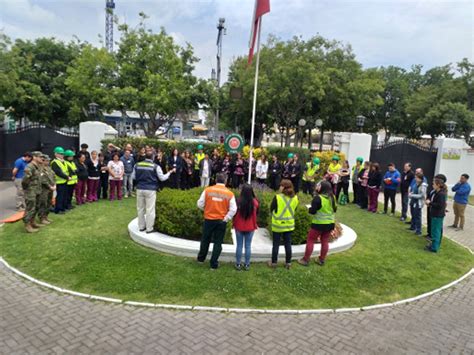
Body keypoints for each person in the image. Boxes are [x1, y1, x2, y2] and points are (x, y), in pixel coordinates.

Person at [196, 173, 237, 269]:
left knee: (205, 240)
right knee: (218, 242)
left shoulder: (208, 190)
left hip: (209, 219)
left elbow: (200, 204)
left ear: (215, 180)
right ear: (226, 181)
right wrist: (226, 218)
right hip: (221, 221)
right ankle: (213, 264)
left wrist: (207, 209)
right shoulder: (229, 193)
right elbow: (233, 209)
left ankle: (201, 259)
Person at [132, 153, 174, 233]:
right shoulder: (156, 166)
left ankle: (141, 227)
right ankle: (149, 228)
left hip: (139, 188)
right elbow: (162, 178)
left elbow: (133, 177)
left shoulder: (137, 165)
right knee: (150, 209)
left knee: (140, 208)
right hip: (150, 189)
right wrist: (169, 172)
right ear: (153, 157)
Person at [298, 180, 337, 267]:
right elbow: (334, 209)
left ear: (322, 188)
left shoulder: (318, 198)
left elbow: (312, 211)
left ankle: (305, 259)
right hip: (330, 223)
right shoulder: (332, 197)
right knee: (325, 241)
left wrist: (308, 208)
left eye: (318, 186)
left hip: (319, 223)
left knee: (310, 240)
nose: (317, 187)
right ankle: (321, 259)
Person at [268, 179, 299, 269]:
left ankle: (274, 263)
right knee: (288, 244)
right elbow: (295, 209)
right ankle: (288, 263)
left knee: (276, 244)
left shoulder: (277, 197)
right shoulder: (295, 198)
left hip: (278, 225)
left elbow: (271, 209)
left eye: (280, 185)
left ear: (283, 187)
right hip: (289, 225)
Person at [233, 184, 259, 271]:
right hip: (250, 226)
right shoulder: (255, 202)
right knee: (248, 246)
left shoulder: (238, 201)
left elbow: (234, 213)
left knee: (239, 246)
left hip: (239, 226)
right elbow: (257, 213)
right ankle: (247, 264)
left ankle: (238, 263)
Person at [21, 152, 43, 233]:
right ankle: (27, 224)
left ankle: (32, 222)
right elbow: (25, 180)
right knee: (30, 207)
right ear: (34, 157)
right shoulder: (30, 167)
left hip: (37, 190)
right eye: (40, 157)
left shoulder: (38, 166)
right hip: (31, 190)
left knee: (36, 206)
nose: (42, 158)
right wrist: (26, 188)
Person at [425, 177, 447, 253]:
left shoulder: (441, 194)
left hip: (437, 215)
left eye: (434, 184)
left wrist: (429, 203)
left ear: (438, 185)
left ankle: (434, 248)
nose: (432, 185)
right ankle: (433, 245)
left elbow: (439, 205)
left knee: (436, 232)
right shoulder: (436, 192)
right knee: (434, 230)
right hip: (434, 214)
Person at [37, 154, 56, 225]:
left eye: (48, 161)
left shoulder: (49, 168)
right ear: (43, 161)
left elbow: (53, 176)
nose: (48, 162)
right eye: (46, 161)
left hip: (51, 188)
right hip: (44, 189)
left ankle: (46, 216)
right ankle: (41, 218)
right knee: (43, 203)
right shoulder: (40, 168)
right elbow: (43, 180)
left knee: (49, 203)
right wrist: (49, 186)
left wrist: (54, 184)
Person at [50, 147, 69, 214]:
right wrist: (67, 177)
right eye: (60, 154)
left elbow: (66, 170)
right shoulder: (54, 162)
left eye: (62, 154)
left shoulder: (63, 161)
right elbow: (58, 172)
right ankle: (58, 209)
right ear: (56, 154)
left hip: (65, 181)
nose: (62, 155)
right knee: (59, 196)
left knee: (64, 195)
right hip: (59, 182)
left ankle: (63, 208)